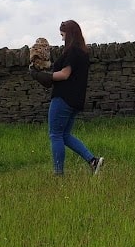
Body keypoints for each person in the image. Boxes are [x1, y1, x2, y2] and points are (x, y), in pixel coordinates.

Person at [29, 20, 104, 176]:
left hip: (63, 98)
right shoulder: (82, 52)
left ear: (69, 34)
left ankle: (58, 173)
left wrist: (41, 75)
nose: (62, 39)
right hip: (76, 100)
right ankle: (93, 161)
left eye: (63, 35)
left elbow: (64, 74)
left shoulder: (72, 51)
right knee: (64, 135)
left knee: (55, 135)